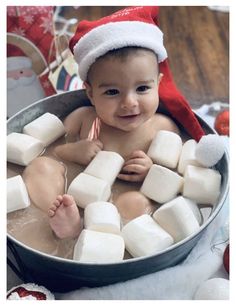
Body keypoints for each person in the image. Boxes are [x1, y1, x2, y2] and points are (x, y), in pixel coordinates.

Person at [23, 6, 213, 239]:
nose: (129, 102)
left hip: (121, 207)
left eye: (142, 88)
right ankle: (66, 223)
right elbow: (54, 152)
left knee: (136, 202)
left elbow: (175, 175)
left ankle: (99, 237)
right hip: (70, 193)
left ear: (158, 83)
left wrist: (151, 170)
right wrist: (73, 151)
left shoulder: (163, 127)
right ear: (91, 94)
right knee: (39, 166)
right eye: (112, 92)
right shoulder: (83, 119)